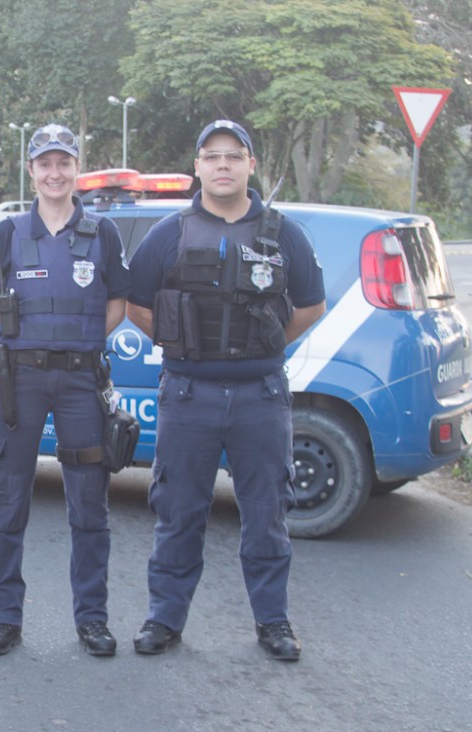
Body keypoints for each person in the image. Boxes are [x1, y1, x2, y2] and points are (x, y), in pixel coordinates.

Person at [125, 120, 326, 661]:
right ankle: (164, 619)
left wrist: (265, 344)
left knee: (267, 514)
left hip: (261, 395)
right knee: (178, 512)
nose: (222, 165)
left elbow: (311, 304)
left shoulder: (284, 234)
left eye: (233, 156)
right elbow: (136, 303)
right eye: (211, 156)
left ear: (250, 165)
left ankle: (273, 623)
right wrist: (180, 341)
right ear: (197, 166)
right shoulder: (169, 232)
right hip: (189, 393)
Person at [0, 124, 131, 656]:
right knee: (7, 499)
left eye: (64, 163)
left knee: (89, 505)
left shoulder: (102, 233)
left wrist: (79, 344)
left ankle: (92, 619)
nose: (55, 173)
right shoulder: (7, 232)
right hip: (20, 382)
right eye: (45, 163)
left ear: (76, 168)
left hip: (82, 383)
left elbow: (117, 303)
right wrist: (10, 338)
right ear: (32, 170)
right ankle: (4, 618)